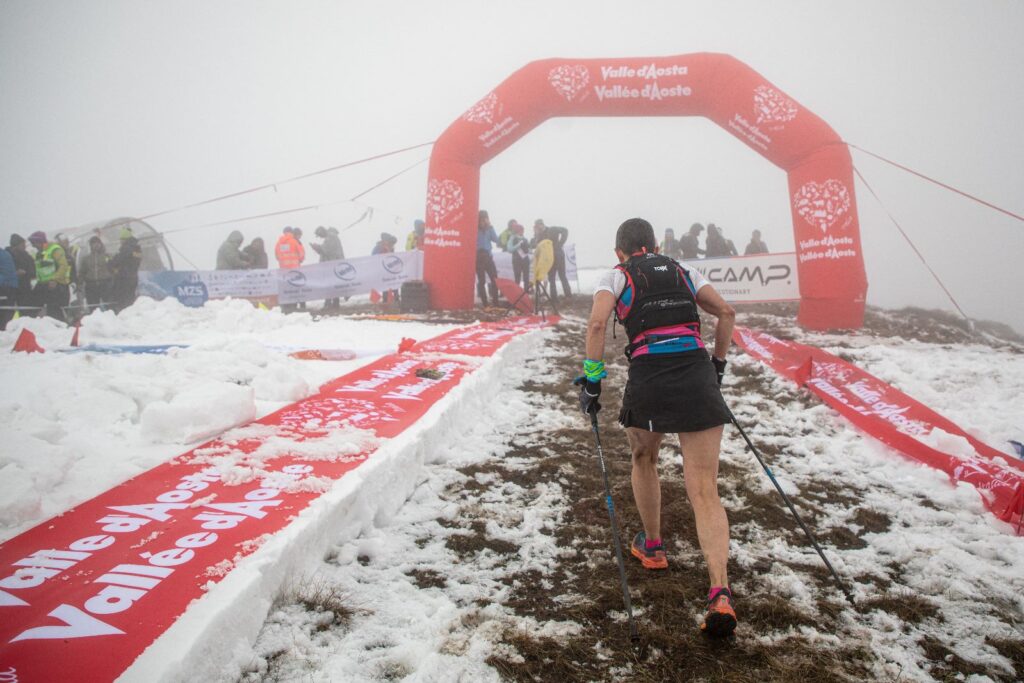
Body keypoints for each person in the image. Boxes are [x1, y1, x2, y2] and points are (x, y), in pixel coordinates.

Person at [576, 217, 738, 638]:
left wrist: (592, 381)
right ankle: (720, 591)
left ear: (620, 251)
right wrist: (716, 366)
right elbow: (726, 312)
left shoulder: (616, 275)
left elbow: (596, 325)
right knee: (704, 488)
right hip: (696, 372)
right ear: (654, 244)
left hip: (649, 374)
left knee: (644, 456)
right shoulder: (684, 271)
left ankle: (653, 545)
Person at [28, 231, 71, 322]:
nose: (33, 246)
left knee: (54, 312)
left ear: (41, 241)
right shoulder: (39, 254)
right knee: (32, 305)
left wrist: (54, 279)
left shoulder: (55, 249)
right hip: (43, 284)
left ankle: (59, 329)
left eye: (35, 243)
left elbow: (63, 266)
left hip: (56, 285)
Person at [108, 227, 142, 313]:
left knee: (122, 300)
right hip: (133, 277)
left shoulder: (127, 248)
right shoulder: (137, 248)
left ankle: (122, 315)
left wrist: (110, 262)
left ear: (124, 239)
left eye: (121, 239)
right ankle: (129, 315)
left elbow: (119, 260)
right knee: (130, 298)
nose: (120, 242)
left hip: (124, 278)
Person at [313, 226, 345, 310]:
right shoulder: (331, 237)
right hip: (334, 263)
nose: (320, 237)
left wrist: (317, 247)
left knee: (330, 283)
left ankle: (329, 302)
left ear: (322, 232)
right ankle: (334, 302)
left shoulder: (331, 237)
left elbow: (326, 250)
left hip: (331, 264)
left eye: (320, 235)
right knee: (333, 283)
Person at [78, 235, 113, 310]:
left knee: (109, 306)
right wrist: (79, 283)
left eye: (98, 243)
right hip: (91, 285)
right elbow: (82, 272)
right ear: (91, 245)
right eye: (93, 243)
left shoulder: (107, 256)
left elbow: (113, 269)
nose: (96, 245)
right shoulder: (86, 258)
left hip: (105, 284)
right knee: (93, 307)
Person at [475, 210, 499, 307]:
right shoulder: (475, 229)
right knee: (482, 281)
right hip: (479, 257)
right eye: (482, 219)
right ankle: (485, 303)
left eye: (486, 219)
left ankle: (495, 301)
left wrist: (491, 227)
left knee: (495, 279)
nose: (484, 221)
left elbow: (496, 240)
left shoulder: (489, 229)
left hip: (488, 257)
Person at [7, 234, 35, 312]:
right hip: (9, 289)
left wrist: (26, 273)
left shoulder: (27, 257)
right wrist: (14, 273)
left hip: (24, 288)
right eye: (22, 245)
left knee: (26, 311)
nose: (25, 247)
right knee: (8, 312)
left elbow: (33, 271)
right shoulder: (6, 255)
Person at [506, 220, 531, 292]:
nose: (523, 232)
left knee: (526, 278)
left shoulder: (525, 239)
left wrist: (529, 250)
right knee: (517, 278)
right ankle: (517, 293)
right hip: (517, 260)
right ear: (517, 231)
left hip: (525, 260)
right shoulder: (512, 238)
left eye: (523, 230)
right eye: (521, 230)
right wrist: (519, 245)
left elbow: (528, 250)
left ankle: (526, 292)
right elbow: (509, 249)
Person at [0, 245, 17, 330]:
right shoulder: (4, 254)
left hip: (5, 288)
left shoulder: (2, 255)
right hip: (8, 287)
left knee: (4, 316)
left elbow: (6, 273)